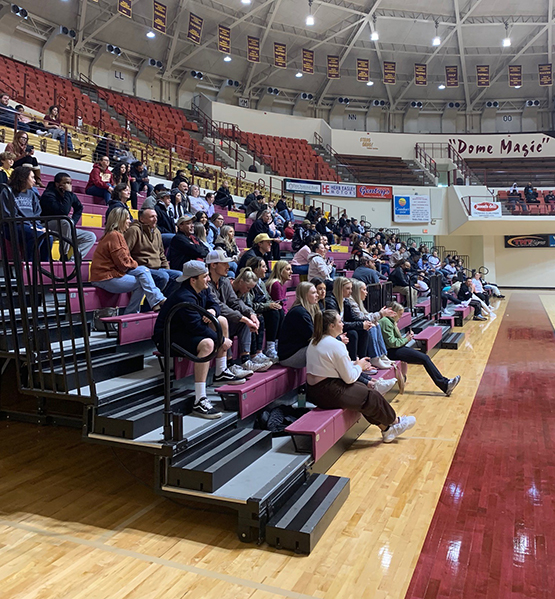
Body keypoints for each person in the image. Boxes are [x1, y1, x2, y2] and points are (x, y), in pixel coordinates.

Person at [306, 310, 416, 443]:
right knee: (371, 395)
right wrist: (360, 366)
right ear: (331, 326)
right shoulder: (336, 345)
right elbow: (349, 378)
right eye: (340, 322)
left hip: (314, 390)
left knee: (363, 393)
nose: (343, 324)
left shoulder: (315, 341)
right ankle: (395, 421)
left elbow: (331, 366)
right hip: (327, 391)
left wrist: (355, 364)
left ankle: (387, 430)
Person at [152, 260, 244, 419]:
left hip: (185, 332)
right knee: (208, 344)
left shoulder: (203, 289)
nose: (208, 279)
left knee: (221, 320)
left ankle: (220, 371)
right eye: (205, 276)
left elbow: (215, 304)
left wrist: (212, 312)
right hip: (168, 338)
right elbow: (197, 328)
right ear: (193, 280)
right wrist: (221, 341)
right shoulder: (184, 297)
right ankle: (199, 400)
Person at [90, 207, 166, 314]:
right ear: (119, 220)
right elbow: (123, 263)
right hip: (105, 277)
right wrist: (135, 263)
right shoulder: (115, 236)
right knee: (143, 278)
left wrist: (133, 264)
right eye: (127, 219)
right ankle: (142, 307)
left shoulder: (113, 235)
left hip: (110, 274)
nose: (129, 221)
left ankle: (153, 302)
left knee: (143, 273)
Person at [206, 249, 267, 376]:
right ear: (213, 265)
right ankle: (228, 364)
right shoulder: (205, 282)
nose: (228, 266)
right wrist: (244, 318)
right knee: (225, 320)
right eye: (224, 263)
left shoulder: (224, 281)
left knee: (243, 318)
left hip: (221, 322)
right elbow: (219, 306)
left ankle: (245, 360)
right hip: (208, 325)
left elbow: (235, 301)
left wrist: (251, 314)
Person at [380, 301, 461, 395]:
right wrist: (407, 339)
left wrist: (405, 338)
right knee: (424, 358)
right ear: (394, 312)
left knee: (424, 358)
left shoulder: (390, 321)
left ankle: (445, 384)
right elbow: (392, 343)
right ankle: (445, 384)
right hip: (391, 351)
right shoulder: (386, 322)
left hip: (395, 349)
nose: (401, 316)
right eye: (400, 314)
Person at [124, 207, 182, 300]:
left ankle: (165, 302)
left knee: (179, 276)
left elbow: (161, 254)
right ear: (142, 219)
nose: (155, 219)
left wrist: (166, 268)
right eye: (152, 217)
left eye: (156, 216)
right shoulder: (134, 230)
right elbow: (125, 252)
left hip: (157, 268)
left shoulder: (157, 231)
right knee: (163, 276)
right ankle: (150, 306)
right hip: (141, 268)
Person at [40, 172, 96, 261]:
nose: (68, 185)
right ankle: (64, 255)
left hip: (64, 228)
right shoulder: (48, 195)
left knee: (90, 236)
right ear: (57, 184)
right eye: (65, 183)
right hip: (47, 226)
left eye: (70, 183)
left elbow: (79, 208)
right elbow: (62, 211)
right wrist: (67, 193)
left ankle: (72, 261)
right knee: (65, 222)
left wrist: (73, 222)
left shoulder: (69, 195)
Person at [0, 165, 50, 261]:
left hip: (31, 225)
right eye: (32, 177)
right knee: (37, 234)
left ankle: (44, 265)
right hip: (13, 226)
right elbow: (9, 215)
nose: (34, 180)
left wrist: (37, 226)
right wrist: (31, 226)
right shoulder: (7, 192)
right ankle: (29, 264)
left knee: (49, 236)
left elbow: (37, 213)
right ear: (23, 178)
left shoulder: (32, 194)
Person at [350, 280, 398, 372]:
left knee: (376, 323)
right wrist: (380, 314)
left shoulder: (358, 303)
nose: (366, 292)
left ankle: (382, 355)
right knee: (371, 326)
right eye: (364, 289)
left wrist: (379, 314)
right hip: (354, 327)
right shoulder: (352, 303)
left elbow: (365, 316)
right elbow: (362, 318)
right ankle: (374, 357)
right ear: (357, 291)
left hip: (357, 325)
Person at [246, 256, 284, 361]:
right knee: (273, 313)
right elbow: (250, 305)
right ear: (255, 269)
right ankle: (269, 347)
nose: (266, 269)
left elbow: (268, 298)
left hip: (262, 309)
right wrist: (268, 305)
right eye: (263, 267)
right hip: (254, 311)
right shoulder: (248, 283)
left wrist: (273, 303)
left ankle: (276, 343)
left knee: (279, 310)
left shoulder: (261, 283)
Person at [325, 276, 371, 361]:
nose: (351, 291)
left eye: (351, 288)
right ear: (339, 289)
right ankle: (353, 363)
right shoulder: (330, 302)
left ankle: (363, 361)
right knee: (352, 334)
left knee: (364, 331)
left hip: (341, 327)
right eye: (348, 288)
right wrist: (361, 325)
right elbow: (337, 324)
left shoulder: (345, 300)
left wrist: (366, 322)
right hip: (333, 330)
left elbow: (352, 317)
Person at [278, 282, 320, 368]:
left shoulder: (307, 310)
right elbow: (312, 336)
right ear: (305, 295)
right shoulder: (299, 313)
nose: (317, 295)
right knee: (323, 348)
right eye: (313, 293)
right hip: (290, 356)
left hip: (299, 350)